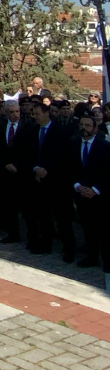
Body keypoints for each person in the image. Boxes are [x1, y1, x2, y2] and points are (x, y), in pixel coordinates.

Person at [25, 98, 75, 261]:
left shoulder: (60, 130)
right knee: (43, 216)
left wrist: (48, 170)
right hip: (39, 181)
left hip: (58, 182)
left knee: (62, 218)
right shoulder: (33, 131)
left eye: (38, 114)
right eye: (33, 114)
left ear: (47, 113)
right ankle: (45, 244)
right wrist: (36, 169)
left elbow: (62, 156)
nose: (36, 117)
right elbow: (31, 154)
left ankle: (69, 250)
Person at [69, 113, 109, 268]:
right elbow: (70, 168)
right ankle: (91, 257)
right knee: (88, 228)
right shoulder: (73, 143)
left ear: (95, 128)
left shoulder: (104, 146)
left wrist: (95, 190)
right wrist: (77, 185)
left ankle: (106, 260)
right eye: (82, 125)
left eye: (88, 126)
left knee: (105, 230)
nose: (84, 129)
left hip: (100, 196)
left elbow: (107, 173)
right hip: (81, 194)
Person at [0, 99, 33, 244]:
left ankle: (31, 236)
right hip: (6, 172)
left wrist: (18, 165)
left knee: (27, 208)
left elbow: (29, 150)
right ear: (6, 113)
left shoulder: (27, 126)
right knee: (9, 206)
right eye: (11, 112)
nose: (15, 115)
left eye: (17, 111)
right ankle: (13, 234)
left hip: (22, 173)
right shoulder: (0, 126)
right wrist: (5, 164)